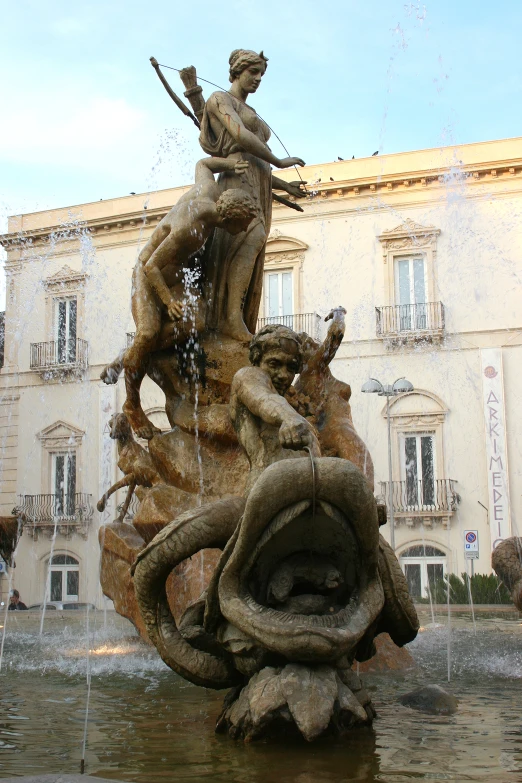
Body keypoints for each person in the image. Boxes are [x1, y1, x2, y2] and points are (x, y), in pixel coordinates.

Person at [104, 156, 257, 440]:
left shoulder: (209, 192)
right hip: (150, 276)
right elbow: (151, 266)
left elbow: (203, 165)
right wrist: (168, 302)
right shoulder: (190, 226)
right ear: (229, 217)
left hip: (172, 276)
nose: (243, 230)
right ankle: (132, 403)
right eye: (242, 224)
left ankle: (131, 355)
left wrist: (229, 164)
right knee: (148, 332)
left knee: (196, 323)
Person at [199, 49, 307, 342]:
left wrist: (285, 186)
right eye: (253, 72)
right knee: (249, 238)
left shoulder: (253, 112)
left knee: (255, 247)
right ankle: (230, 319)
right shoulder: (219, 100)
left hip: (259, 182)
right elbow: (240, 137)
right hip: (237, 177)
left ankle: (240, 317)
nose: (258, 79)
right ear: (237, 70)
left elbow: (258, 160)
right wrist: (280, 160)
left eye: (261, 74)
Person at [230, 324, 319, 492]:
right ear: (257, 360)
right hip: (270, 487)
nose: (284, 375)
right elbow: (263, 400)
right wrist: (288, 418)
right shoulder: (247, 376)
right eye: (274, 364)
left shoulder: (287, 405)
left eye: (291, 368)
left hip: (305, 486)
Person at [295, 307, 375, 489]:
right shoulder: (311, 371)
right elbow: (335, 336)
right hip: (338, 433)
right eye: (308, 345)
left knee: (363, 483)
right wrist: (339, 315)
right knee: (364, 485)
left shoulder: (316, 378)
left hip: (341, 432)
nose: (314, 345)